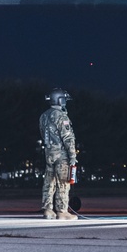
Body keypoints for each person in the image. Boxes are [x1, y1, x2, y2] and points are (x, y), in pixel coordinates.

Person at [40, 88, 78, 220]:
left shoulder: (44, 116)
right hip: (61, 154)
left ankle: (47, 209)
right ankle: (62, 211)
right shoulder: (61, 116)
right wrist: (72, 156)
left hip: (49, 152)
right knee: (63, 182)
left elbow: (43, 133)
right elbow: (68, 137)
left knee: (49, 181)